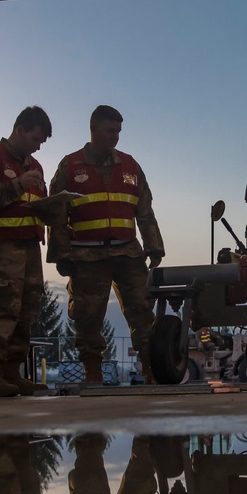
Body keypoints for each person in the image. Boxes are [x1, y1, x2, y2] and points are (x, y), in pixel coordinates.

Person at [46, 105, 165, 384]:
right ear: (94, 129)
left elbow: (145, 210)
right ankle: (93, 374)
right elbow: (57, 214)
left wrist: (154, 247)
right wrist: (61, 254)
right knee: (88, 316)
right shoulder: (70, 165)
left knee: (142, 311)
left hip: (128, 253)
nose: (115, 137)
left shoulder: (131, 166)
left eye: (119, 132)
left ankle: (151, 371)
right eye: (110, 131)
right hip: (87, 256)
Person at [0, 106, 54, 397]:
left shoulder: (36, 166)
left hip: (30, 247)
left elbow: (35, 204)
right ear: (19, 130)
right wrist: (19, 184)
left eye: (41, 143)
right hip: (2, 248)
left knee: (27, 310)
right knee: (2, 307)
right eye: (35, 139)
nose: (37, 146)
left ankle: (12, 371)